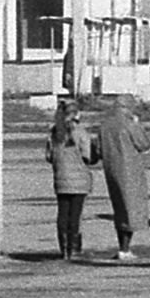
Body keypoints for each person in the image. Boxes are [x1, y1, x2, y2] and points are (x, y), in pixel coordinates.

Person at [93, 99, 150, 261]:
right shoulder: (129, 124)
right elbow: (145, 143)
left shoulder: (104, 125)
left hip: (111, 170)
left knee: (119, 207)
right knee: (131, 209)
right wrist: (138, 124)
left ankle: (123, 247)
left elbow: (97, 150)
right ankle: (125, 248)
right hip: (130, 170)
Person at [46, 104, 95, 261]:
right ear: (76, 114)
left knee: (62, 214)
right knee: (75, 215)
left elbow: (48, 156)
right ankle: (73, 247)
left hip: (60, 179)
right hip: (79, 180)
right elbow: (87, 155)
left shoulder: (54, 133)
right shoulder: (80, 132)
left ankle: (63, 248)